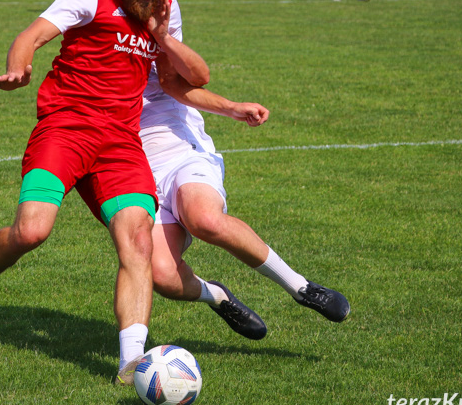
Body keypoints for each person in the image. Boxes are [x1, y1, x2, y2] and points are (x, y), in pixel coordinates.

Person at [0, 0, 211, 384]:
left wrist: (164, 33)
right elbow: (33, 34)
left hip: (120, 142)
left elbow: (192, 77)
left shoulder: (162, 8)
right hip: (66, 127)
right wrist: (18, 67)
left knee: (137, 240)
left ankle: (131, 362)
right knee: (31, 231)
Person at [136, 59, 351, 349]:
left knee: (204, 219)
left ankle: (301, 287)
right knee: (162, 275)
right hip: (136, 170)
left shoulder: (153, 25)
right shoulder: (89, 46)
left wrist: (231, 107)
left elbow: (191, 78)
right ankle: (217, 296)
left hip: (182, 154)